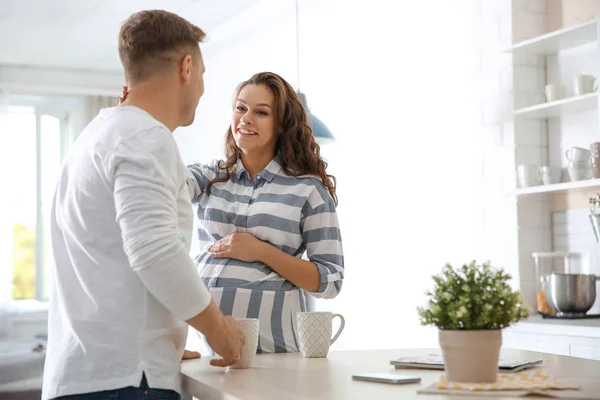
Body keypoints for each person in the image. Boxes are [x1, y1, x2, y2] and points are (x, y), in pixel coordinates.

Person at [42, 10, 245, 400]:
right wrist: (218, 331)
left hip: (92, 372)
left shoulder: (96, 136)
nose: (202, 88)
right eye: (202, 74)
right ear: (187, 68)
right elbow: (155, 252)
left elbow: (114, 256)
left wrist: (162, 343)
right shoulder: (145, 137)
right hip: (124, 383)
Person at [187, 72, 344, 353]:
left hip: (276, 349)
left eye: (261, 112)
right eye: (241, 108)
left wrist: (260, 251)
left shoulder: (308, 189)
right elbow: (165, 185)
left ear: (282, 124)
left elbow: (330, 280)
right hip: (212, 346)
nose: (246, 118)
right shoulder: (209, 176)